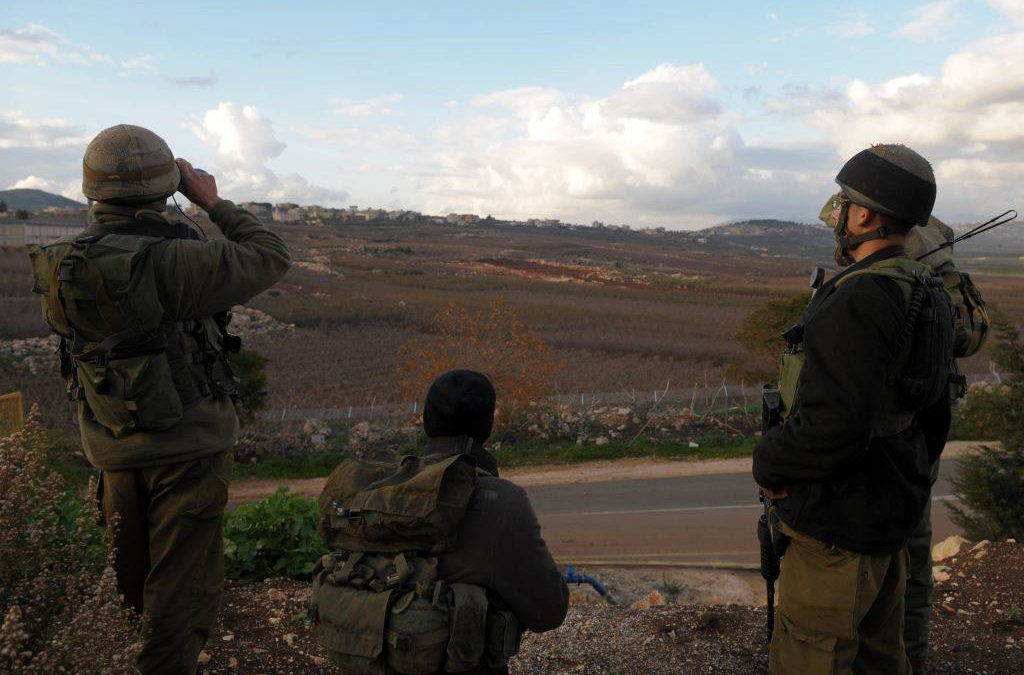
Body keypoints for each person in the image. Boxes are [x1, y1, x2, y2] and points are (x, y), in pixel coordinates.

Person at [29, 124, 291, 675]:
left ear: (90, 190)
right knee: (182, 595)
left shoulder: (63, 263)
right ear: (166, 186)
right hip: (187, 453)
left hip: (113, 452)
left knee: (134, 585)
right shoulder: (171, 263)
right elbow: (269, 255)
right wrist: (213, 202)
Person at [754, 144, 953, 675]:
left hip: (836, 533)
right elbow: (933, 415)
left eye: (842, 202)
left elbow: (833, 426)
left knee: (811, 655)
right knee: (879, 656)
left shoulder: (857, 299)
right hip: (888, 522)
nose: (836, 213)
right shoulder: (926, 289)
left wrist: (769, 462)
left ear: (863, 214)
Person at [312, 370, 568, 675]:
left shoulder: (378, 492)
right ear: (487, 427)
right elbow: (549, 610)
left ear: (426, 422)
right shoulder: (501, 501)